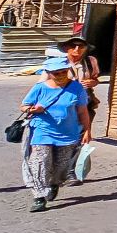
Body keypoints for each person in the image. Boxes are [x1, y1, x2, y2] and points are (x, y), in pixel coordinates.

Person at [19, 57, 92, 213]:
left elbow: (82, 111)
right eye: (56, 73)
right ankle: (39, 197)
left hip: (68, 133)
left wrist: (87, 130)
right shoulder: (40, 88)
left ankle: (54, 183)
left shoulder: (76, 88)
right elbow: (24, 106)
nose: (60, 75)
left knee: (62, 166)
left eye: (63, 72)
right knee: (39, 162)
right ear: (49, 73)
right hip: (42, 131)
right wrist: (32, 109)